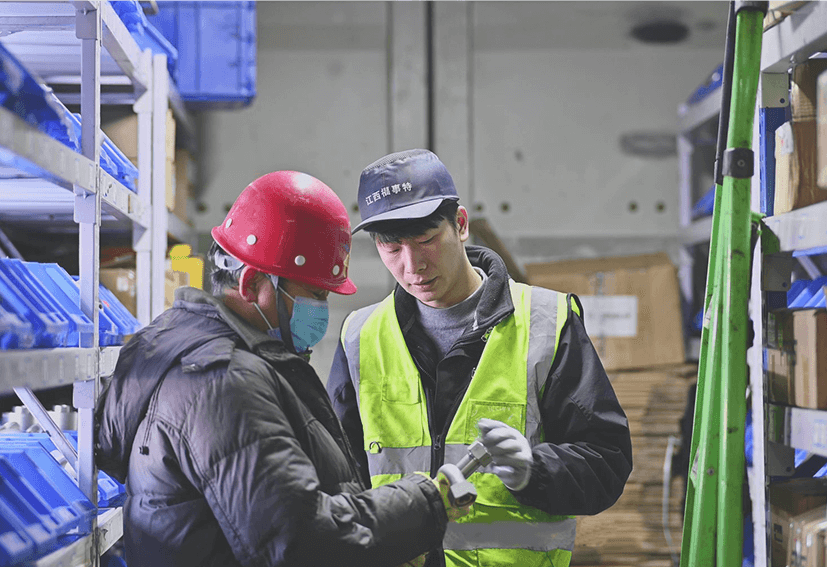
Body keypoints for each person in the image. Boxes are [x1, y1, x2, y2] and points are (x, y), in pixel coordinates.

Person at [95, 170, 470, 567]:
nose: (320, 310)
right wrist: (425, 504)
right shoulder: (221, 382)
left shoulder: (215, 359)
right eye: (314, 293)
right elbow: (299, 540)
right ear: (252, 283)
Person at [327, 149, 634, 567]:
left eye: (426, 240)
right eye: (392, 247)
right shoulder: (360, 336)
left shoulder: (547, 321)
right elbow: (339, 479)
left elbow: (606, 461)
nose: (413, 265)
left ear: (461, 224)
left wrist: (535, 470)